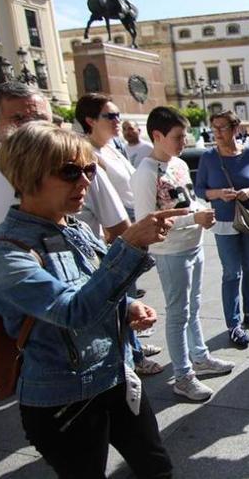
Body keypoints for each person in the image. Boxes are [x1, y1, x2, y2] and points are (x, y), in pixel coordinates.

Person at [0, 122, 177, 478]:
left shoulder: (77, 228)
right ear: (27, 174)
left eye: (89, 169)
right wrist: (129, 244)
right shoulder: (2, 252)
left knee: (157, 467)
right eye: (70, 171)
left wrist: (129, 307)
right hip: (62, 399)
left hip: (116, 375)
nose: (85, 181)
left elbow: (94, 286)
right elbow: (72, 310)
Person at [132, 107, 234, 401]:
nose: (184, 141)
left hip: (192, 245)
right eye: (178, 136)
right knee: (178, 313)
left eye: (184, 134)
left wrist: (201, 211)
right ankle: (183, 375)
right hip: (171, 251)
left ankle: (199, 358)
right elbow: (147, 221)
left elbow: (188, 200)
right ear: (157, 135)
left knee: (192, 307)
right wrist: (193, 219)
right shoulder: (146, 173)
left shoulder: (175, 163)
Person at [0, 83, 130, 242]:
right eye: (19, 118)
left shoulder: (82, 167)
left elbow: (120, 231)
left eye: (41, 119)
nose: (33, 127)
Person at [76, 93, 162, 375]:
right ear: (90, 120)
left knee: (129, 293)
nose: (118, 122)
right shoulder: (87, 153)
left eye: (117, 116)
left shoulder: (114, 147)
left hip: (130, 221)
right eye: (110, 116)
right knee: (119, 292)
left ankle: (133, 343)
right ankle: (133, 356)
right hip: (113, 232)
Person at [194, 110, 249, 348]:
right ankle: (234, 325)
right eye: (214, 127)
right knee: (231, 273)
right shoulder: (208, 158)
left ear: (236, 128)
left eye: (222, 127)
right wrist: (218, 194)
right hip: (225, 221)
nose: (217, 132)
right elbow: (199, 190)